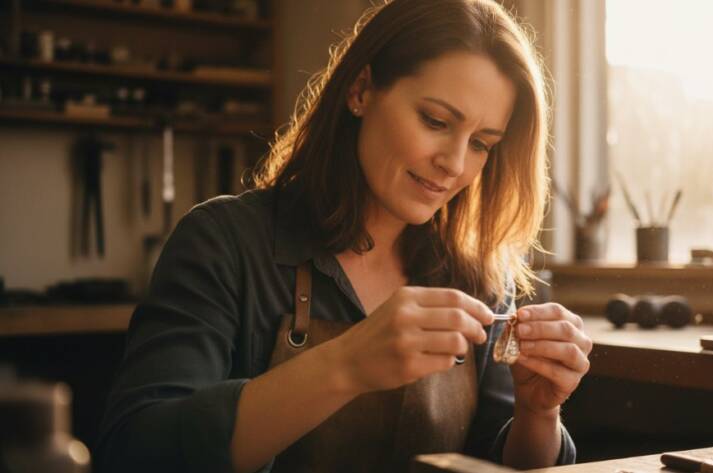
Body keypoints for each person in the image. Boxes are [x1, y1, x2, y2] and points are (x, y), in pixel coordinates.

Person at [96, 0, 592, 472]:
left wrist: (538, 415)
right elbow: (138, 451)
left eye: (482, 144)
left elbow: (494, 461)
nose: (456, 164)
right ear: (360, 90)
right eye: (435, 121)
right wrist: (346, 364)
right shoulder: (223, 243)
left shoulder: (478, 276)